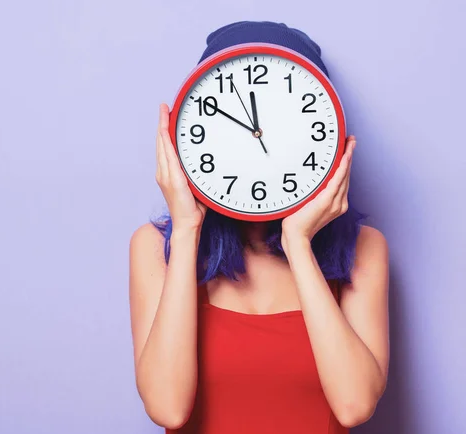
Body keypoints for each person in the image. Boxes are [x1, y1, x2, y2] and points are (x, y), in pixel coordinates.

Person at [129, 21, 389, 434]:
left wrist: (298, 243)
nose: (258, 135)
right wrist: (185, 228)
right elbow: (168, 409)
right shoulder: (156, 247)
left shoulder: (364, 250)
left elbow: (354, 406)